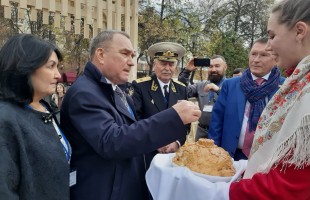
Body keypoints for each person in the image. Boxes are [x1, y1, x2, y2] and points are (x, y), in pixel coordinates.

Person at [146, 0, 310, 199]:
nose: (268, 46)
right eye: (253, 54)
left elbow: (292, 181)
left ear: (300, 31)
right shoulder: (288, 84)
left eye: (272, 36)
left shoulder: (289, 87)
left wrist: (217, 193)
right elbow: (217, 121)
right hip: (235, 162)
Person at [60, 30, 201, 200]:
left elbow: (130, 130)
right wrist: (173, 116)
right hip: (103, 191)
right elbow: (112, 141)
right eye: (125, 54)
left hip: (122, 185)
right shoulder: (84, 92)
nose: (131, 62)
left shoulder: (113, 89)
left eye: (132, 55)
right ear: (101, 54)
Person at [0, 34, 70, 199]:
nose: (58, 75)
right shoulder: (5, 118)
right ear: (24, 67)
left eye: (57, 66)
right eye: (51, 66)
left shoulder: (45, 107)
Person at [208, 38, 285, 160]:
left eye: (264, 55)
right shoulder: (231, 85)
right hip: (230, 156)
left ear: (276, 58)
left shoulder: (285, 87)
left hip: (267, 159)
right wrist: (213, 153)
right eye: (253, 54)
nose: (256, 60)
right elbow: (217, 122)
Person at [131, 42, 188, 168]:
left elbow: (186, 123)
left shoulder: (181, 89)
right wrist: (155, 142)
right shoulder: (140, 86)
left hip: (173, 155)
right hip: (148, 154)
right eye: (163, 63)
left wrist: (177, 142)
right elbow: (135, 120)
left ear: (176, 67)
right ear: (154, 64)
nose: (167, 68)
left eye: (171, 64)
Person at [178, 55, 228, 141]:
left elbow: (232, 103)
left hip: (222, 133)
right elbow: (181, 90)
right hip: (201, 133)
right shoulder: (200, 85)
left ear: (225, 67)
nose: (213, 69)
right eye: (210, 66)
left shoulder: (231, 85)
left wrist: (218, 91)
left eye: (217, 66)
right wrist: (187, 71)